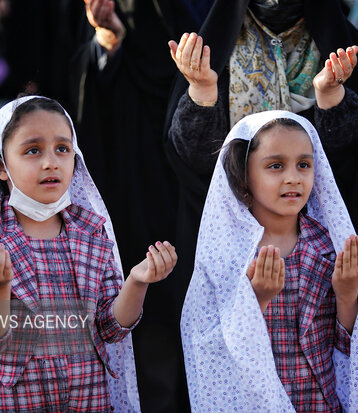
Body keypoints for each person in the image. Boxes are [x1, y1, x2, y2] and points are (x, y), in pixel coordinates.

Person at [0, 96, 177, 412]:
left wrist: (138, 281)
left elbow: (110, 327)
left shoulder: (91, 230)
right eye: (33, 150)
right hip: (18, 404)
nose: (51, 162)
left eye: (63, 149)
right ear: (1, 167)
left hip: (91, 401)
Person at [165, 0, 358, 316]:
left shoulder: (340, 47)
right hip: (236, 241)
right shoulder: (212, 48)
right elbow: (195, 163)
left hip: (318, 248)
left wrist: (332, 98)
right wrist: (202, 92)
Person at [181, 110, 358, 411]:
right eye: (276, 165)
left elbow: (350, 349)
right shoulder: (230, 255)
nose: (293, 178)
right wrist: (256, 301)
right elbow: (212, 352)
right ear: (243, 176)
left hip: (322, 403)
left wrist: (347, 295)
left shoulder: (329, 246)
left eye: (303, 164)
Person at [68, 1, 213, 410]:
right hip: (132, 175)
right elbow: (81, 80)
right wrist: (110, 37)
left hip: (201, 170)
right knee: (142, 298)